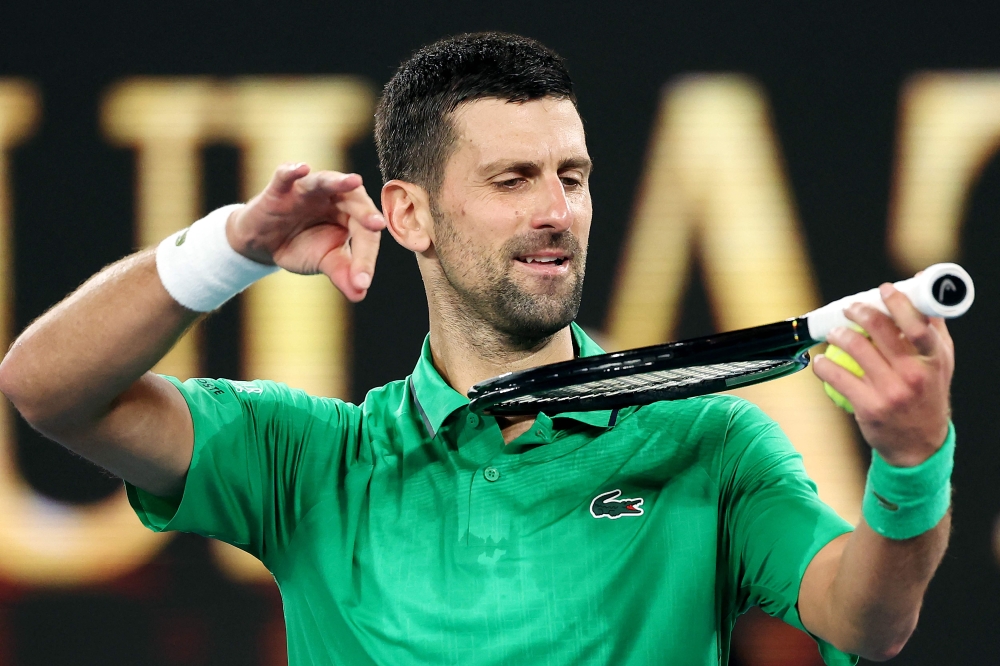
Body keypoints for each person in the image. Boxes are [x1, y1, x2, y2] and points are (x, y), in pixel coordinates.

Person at [0, 33, 955, 666]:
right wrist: (231, 248)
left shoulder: (711, 443)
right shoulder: (311, 460)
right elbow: (46, 388)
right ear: (407, 213)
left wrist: (912, 464)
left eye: (571, 177)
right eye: (512, 179)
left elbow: (866, 621)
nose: (556, 212)